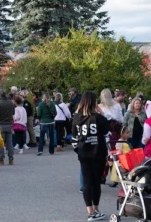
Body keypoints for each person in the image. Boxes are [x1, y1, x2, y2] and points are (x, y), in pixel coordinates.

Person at [72, 91, 111, 221]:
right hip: (97, 152)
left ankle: (90, 211)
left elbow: (74, 136)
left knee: (87, 182)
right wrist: (102, 113)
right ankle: (96, 209)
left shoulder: (77, 117)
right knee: (96, 182)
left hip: (84, 153)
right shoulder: (98, 117)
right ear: (94, 103)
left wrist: (78, 151)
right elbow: (106, 130)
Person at [0, 89, 15, 165]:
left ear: (0, 95)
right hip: (9, 125)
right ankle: (11, 158)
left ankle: (1, 159)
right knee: (10, 143)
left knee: (1, 143)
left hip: (1, 125)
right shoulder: (11, 103)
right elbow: (13, 113)